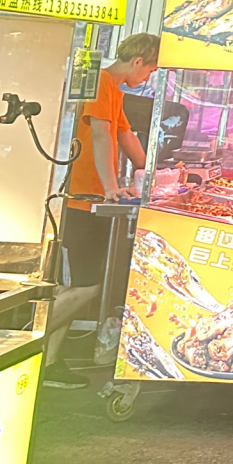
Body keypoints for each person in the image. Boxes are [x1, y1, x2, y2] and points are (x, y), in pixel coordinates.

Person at [44, 33, 158, 388]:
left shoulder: (114, 90)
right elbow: (100, 135)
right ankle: (22, 345)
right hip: (82, 198)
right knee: (86, 286)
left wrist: (155, 174)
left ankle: (48, 364)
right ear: (137, 61)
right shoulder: (102, 82)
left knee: (77, 285)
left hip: (92, 198)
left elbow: (125, 137)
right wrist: (110, 187)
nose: (149, 77)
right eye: (150, 69)